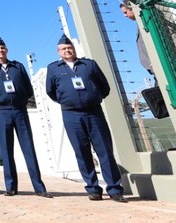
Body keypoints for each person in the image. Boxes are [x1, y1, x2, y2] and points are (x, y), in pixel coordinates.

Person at [45, 34, 127, 202]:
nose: (67, 51)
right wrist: (67, 100)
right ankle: (93, 188)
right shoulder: (53, 68)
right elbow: (51, 91)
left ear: (74, 49)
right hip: (71, 114)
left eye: (70, 48)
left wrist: (93, 97)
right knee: (82, 152)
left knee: (104, 150)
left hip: (94, 112)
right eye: (64, 49)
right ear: (58, 52)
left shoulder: (89, 64)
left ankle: (114, 189)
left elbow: (104, 86)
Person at [0, 36, 52, 198]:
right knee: (6, 150)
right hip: (2, 111)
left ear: (7, 50)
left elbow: (28, 88)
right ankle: (11, 186)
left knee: (29, 149)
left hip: (20, 110)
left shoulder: (17, 67)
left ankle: (39, 187)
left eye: (3, 48)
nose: (1, 51)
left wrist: (20, 100)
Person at [119, 0, 155, 80]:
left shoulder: (146, 21)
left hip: (155, 65)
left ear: (132, 9)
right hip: (152, 67)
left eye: (126, 12)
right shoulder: (141, 23)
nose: (125, 15)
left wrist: (155, 60)